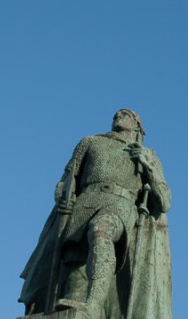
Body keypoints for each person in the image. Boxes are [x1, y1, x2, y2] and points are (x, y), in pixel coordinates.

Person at [19, 109, 172, 319]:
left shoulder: (147, 154)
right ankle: (75, 307)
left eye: (126, 114)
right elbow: (66, 179)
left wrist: (149, 167)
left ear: (137, 125)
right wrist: (63, 195)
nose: (118, 116)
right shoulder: (90, 142)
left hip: (120, 204)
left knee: (102, 229)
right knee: (75, 261)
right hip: (85, 203)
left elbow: (164, 201)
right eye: (116, 114)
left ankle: (94, 304)